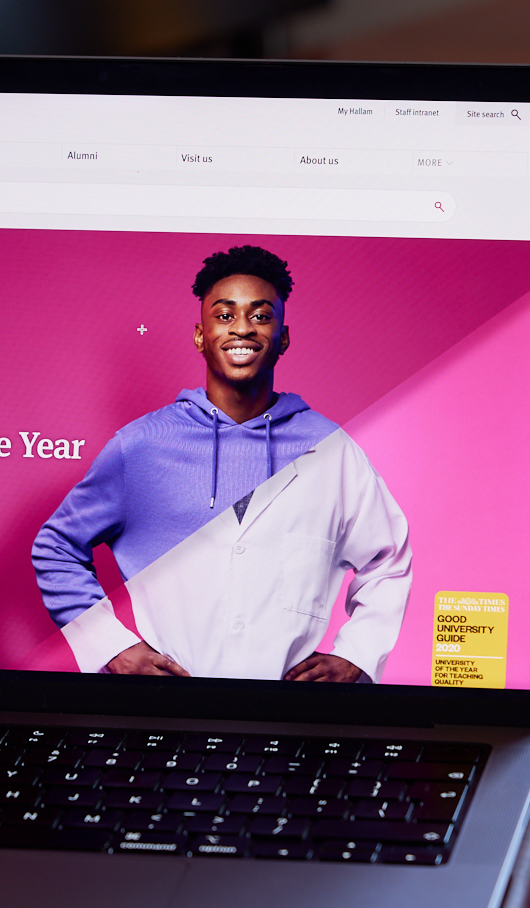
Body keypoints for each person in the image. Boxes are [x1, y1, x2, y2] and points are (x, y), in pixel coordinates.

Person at [32, 245, 411, 681]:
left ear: (283, 337)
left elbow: (388, 559)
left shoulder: (330, 449)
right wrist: (113, 648)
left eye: (261, 315)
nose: (243, 329)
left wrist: (356, 654)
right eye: (225, 315)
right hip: (168, 711)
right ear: (200, 335)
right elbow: (56, 548)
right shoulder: (142, 446)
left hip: (288, 721)